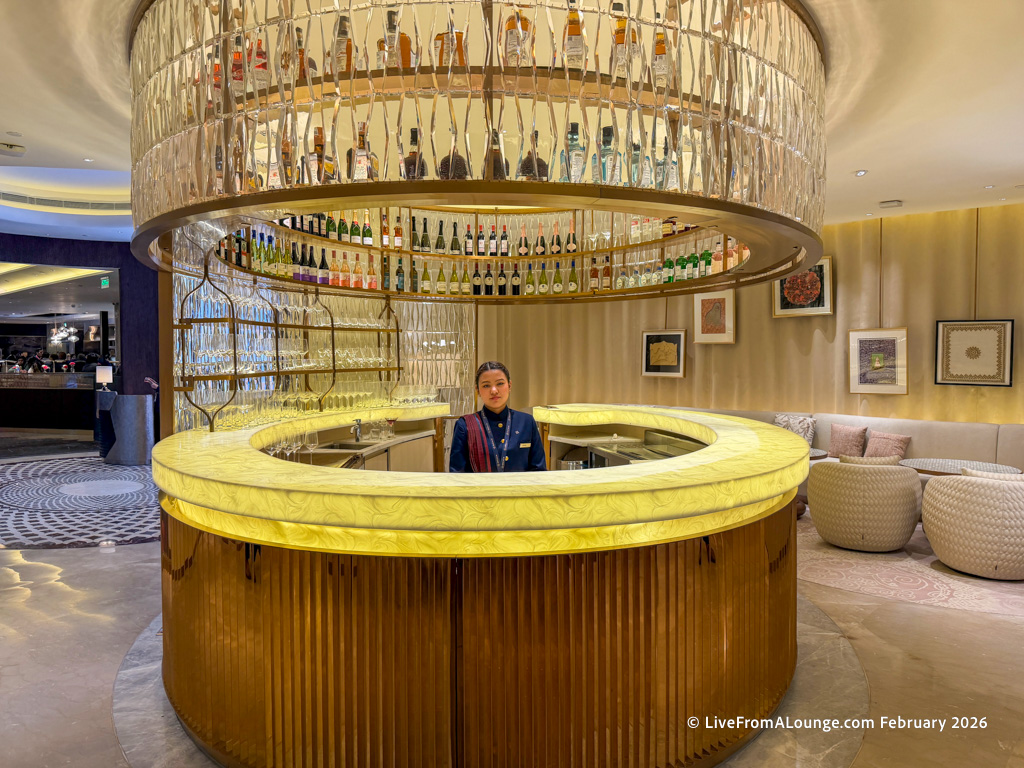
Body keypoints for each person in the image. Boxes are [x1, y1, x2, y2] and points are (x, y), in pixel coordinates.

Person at [449, 361, 546, 473]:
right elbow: (457, 475)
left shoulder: (526, 422)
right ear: (478, 390)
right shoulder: (465, 425)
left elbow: (539, 470)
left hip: (520, 485)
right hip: (481, 485)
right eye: (486, 385)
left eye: (500, 383)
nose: (494, 391)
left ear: (509, 386)